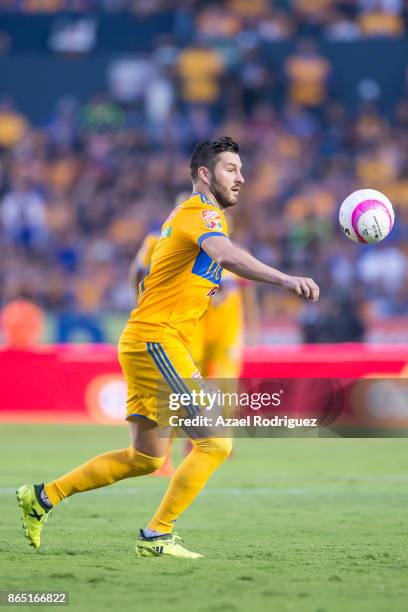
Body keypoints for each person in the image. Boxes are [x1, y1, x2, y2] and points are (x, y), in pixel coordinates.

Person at [17, 137, 319, 559]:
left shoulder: (194, 217)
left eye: (241, 169)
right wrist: (285, 279)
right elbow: (225, 255)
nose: (241, 177)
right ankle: (157, 534)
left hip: (147, 338)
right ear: (204, 174)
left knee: (144, 457)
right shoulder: (200, 213)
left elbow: (152, 276)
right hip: (158, 340)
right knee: (217, 442)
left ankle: (42, 496)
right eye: (231, 169)